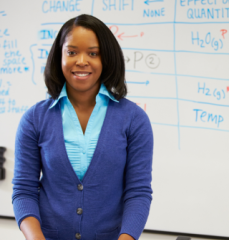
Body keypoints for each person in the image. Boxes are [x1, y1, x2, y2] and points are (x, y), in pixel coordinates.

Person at [12, 14, 153, 240]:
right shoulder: (34, 119)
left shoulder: (134, 120)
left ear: (106, 58)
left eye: (93, 53)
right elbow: (23, 191)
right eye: (72, 52)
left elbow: (137, 193)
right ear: (59, 57)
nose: (81, 61)